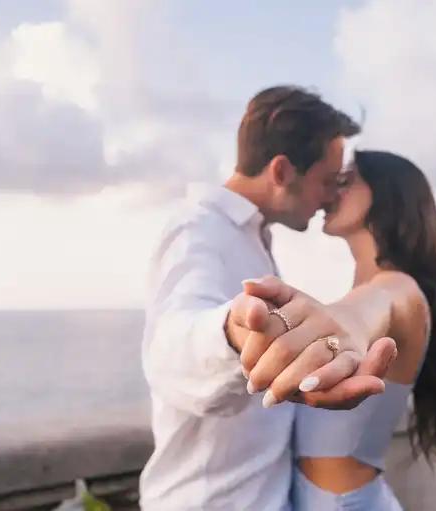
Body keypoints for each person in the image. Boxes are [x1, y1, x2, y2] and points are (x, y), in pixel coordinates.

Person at [139, 87, 397, 511]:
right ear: (281, 171)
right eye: (327, 182)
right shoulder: (197, 230)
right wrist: (232, 333)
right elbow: (170, 347)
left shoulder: (251, 236)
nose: (332, 197)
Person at [242, 150, 436, 510]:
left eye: (345, 181)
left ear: (385, 194)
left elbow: (371, 309)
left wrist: (343, 327)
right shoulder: (367, 286)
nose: (331, 190)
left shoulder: (399, 287)